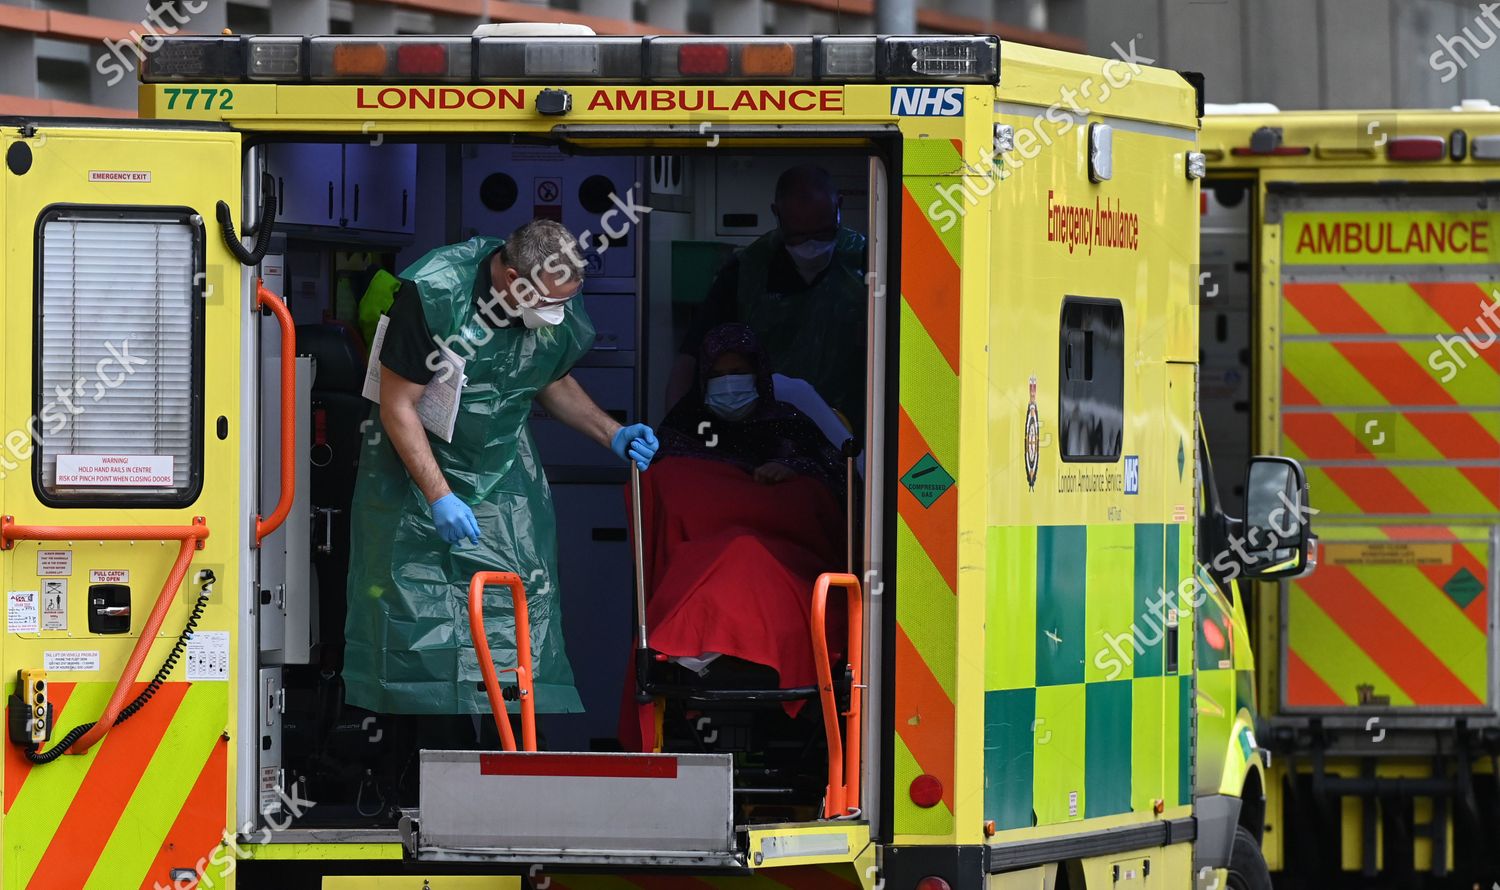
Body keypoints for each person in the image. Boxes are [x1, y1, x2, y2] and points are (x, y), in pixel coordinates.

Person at [344, 220, 658, 718]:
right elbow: (397, 405)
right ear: (512, 280)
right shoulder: (433, 294)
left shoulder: (551, 290)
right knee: (416, 626)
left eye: (565, 303)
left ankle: (513, 756)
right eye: (549, 303)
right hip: (413, 482)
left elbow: (548, 376)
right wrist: (439, 496)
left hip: (505, 481)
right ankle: (411, 760)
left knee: (516, 625)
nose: (558, 315)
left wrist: (611, 433)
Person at [621, 323, 848, 751]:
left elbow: (834, 486)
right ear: (703, 377)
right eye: (719, 373)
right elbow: (662, 491)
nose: (729, 383)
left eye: (739, 371)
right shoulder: (683, 430)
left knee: (749, 549)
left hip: (786, 562)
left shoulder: (792, 428)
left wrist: (793, 473)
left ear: (759, 373)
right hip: (702, 564)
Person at [667, 164, 868, 429]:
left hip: (851, 428)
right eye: (798, 236)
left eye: (823, 233)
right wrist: (673, 431)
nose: (812, 246)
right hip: (765, 431)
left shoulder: (868, 262)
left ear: (839, 206)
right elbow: (691, 357)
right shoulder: (747, 271)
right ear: (776, 214)